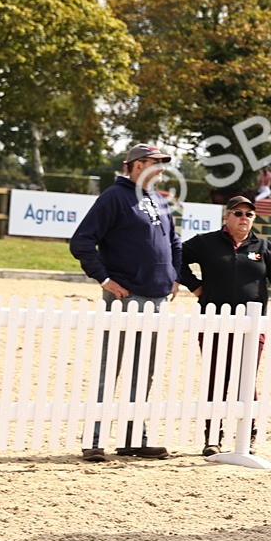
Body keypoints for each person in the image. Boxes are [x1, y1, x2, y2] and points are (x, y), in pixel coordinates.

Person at [69, 144, 182, 461]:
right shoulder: (113, 198)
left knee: (143, 371)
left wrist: (174, 275)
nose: (160, 169)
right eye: (153, 164)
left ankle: (134, 437)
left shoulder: (160, 200)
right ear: (133, 165)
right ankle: (94, 440)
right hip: (125, 296)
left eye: (161, 164)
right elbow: (82, 241)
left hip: (158, 297)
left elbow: (173, 241)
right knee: (110, 368)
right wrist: (104, 279)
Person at [178, 196, 271, 455]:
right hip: (214, 322)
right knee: (216, 380)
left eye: (249, 214)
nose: (243, 218)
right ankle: (212, 437)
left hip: (251, 325)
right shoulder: (206, 243)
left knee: (245, 381)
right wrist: (194, 286)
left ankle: (248, 436)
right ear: (227, 216)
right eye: (238, 213)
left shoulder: (263, 247)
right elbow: (175, 256)